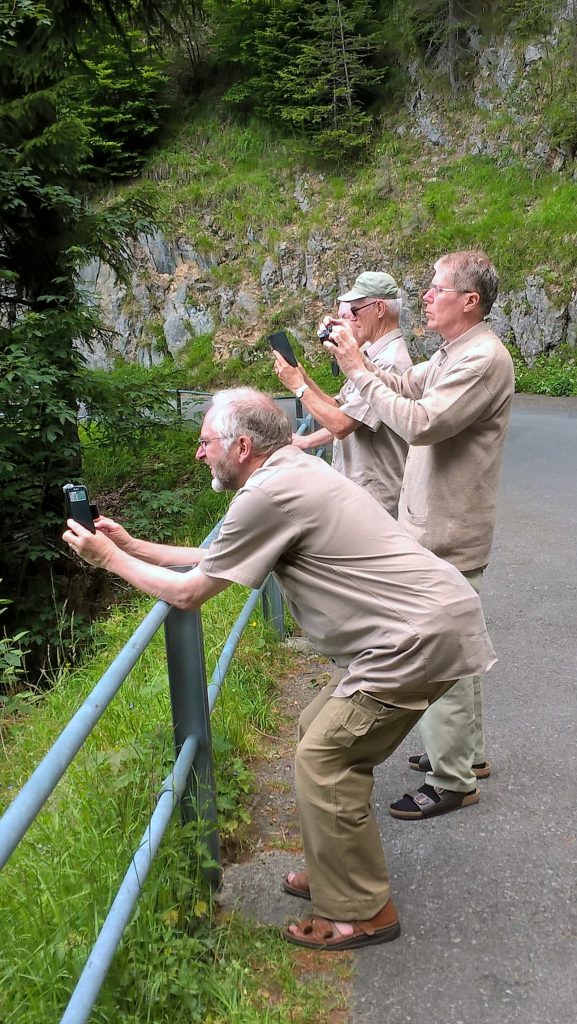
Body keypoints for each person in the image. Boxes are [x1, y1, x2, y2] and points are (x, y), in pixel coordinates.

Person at [64, 387, 497, 951]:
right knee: (313, 731)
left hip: (416, 640)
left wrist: (108, 560)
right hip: (423, 625)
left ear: (241, 445)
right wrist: (135, 546)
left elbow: (192, 593)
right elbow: (223, 558)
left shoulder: (269, 493)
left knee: (327, 759)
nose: (199, 454)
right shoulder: (288, 470)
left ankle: (364, 913)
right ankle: (335, 875)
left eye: (205, 442)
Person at [323, 250, 515, 820]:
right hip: (438, 524)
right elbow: (405, 382)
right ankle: (466, 756)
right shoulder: (455, 352)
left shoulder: (482, 359)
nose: (426, 297)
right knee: (453, 648)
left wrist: (359, 371)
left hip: (448, 529)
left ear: (469, 301)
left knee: (438, 649)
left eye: (436, 289)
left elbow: (421, 422)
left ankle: (451, 778)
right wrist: (354, 360)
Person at [272, 271, 412, 516]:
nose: (352, 321)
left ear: (379, 308)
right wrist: (304, 378)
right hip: (362, 489)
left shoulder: (389, 362)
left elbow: (341, 425)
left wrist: (298, 388)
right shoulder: (371, 356)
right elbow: (339, 407)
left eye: (355, 311)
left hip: (374, 496)